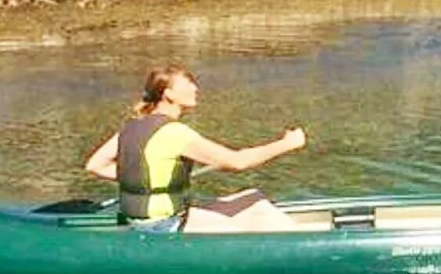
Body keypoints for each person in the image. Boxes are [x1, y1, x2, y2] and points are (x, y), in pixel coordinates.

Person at [85, 65, 306, 233]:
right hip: (163, 226)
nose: (196, 88)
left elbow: (95, 165)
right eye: (188, 84)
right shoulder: (174, 133)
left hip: (138, 220)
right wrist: (286, 144)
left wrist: (145, 177)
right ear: (168, 94)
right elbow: (237, 162)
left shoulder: (131, 126)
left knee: (254, 199)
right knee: (256, 221)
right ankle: (303, 254)